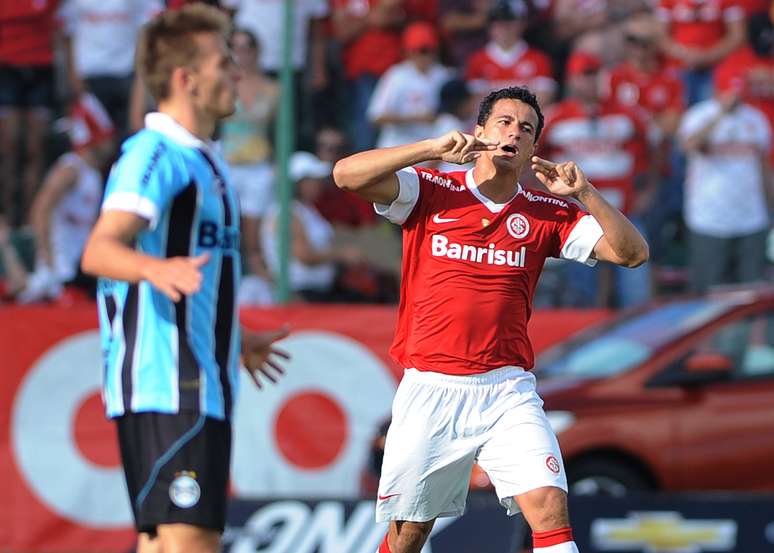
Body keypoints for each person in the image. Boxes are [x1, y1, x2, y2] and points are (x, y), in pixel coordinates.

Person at [333, 85, 648, 553]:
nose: (514, 133)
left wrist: (585, 192)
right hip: (432, 387)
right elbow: (344, 176)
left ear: (533, 148)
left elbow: (633, 253)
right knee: (409, 534)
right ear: (480, 131)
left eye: (526, 128)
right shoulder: (431, 189)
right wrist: (430, 148)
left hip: (506, 390)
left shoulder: (547, 213)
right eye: (504, 122)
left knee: (549, 510)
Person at [79, 6, 289, 553]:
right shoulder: (156, 152)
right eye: (225, 62)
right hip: (169, 383)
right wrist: (156, 268)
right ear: (186, 78)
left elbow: (192, 270)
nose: (237, 72)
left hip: (202, 383)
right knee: (191, 543)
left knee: (165, 545)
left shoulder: (207, 160)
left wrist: (234, 337)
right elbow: (100, 248)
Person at [0, 93, 115, 303]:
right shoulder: (70, 169)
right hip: (60, 271)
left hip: (78, 269)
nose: (111, 142)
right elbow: (41, 208)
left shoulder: (94, 173)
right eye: (107, 137)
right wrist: (47, 259)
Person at [678, 72, 772, 293]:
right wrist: (721, 115)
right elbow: (689, 145)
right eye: (728, 90)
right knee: (708, 295)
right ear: (716, 91)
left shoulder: (756, 119)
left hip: (751, 219)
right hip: (709, 220)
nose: (733, 97)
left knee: (751, 294)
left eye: (737, 91)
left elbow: (764, 168)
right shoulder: (699, 115)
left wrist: (770, 207)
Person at [368, 22, 452, 149]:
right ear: (408, 51)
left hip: (433, 148)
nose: (423, 55)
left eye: (427, 50)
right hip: (397, 145)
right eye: (419, 51)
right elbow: (376, 116)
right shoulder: (397, 75)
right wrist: (414, 118)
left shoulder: (444, 75)